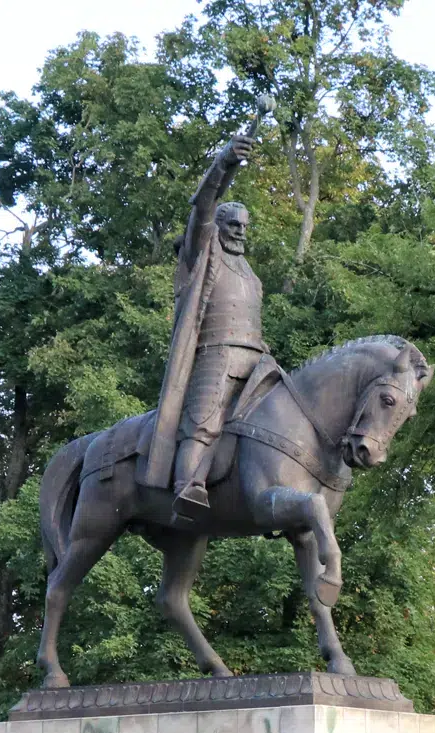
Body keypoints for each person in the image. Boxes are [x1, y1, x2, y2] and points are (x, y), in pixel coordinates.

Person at [146, 133, 266, 519]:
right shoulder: (203, 252)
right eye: (233, 223)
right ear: (218, 226)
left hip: (258, 359)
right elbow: (203, 205)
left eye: (245, 226)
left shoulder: (248, 271)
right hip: (216, 353)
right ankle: (188, 486)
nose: (241, 231)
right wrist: (226, 161)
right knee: (204, 420)